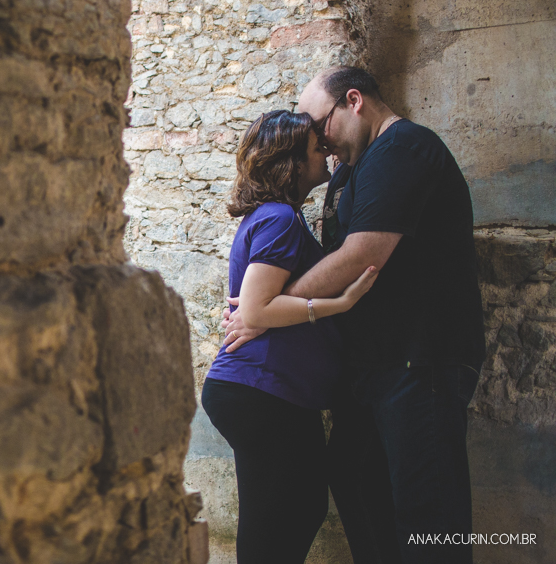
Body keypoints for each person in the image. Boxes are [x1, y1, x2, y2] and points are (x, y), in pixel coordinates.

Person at [223, 67, 486, 564]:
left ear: (353, 101)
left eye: (321, 127)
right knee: (354, 482)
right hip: (368, 367)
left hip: (419, 359)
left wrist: (265, 310)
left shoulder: (404, 149)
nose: (318, 142)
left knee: (428, 512)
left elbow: (360, 255)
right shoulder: (347, 170)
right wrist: (270, 303)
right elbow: (324, 255)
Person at [201, 109, 379, 564]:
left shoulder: (283, 217)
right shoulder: (279, 217)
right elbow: (258, 307)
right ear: (291, 161)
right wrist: (339, 304)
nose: (326, 153)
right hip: (260, 390)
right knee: (280, 517)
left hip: (270, 392)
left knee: (290, 513)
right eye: (316, 148)